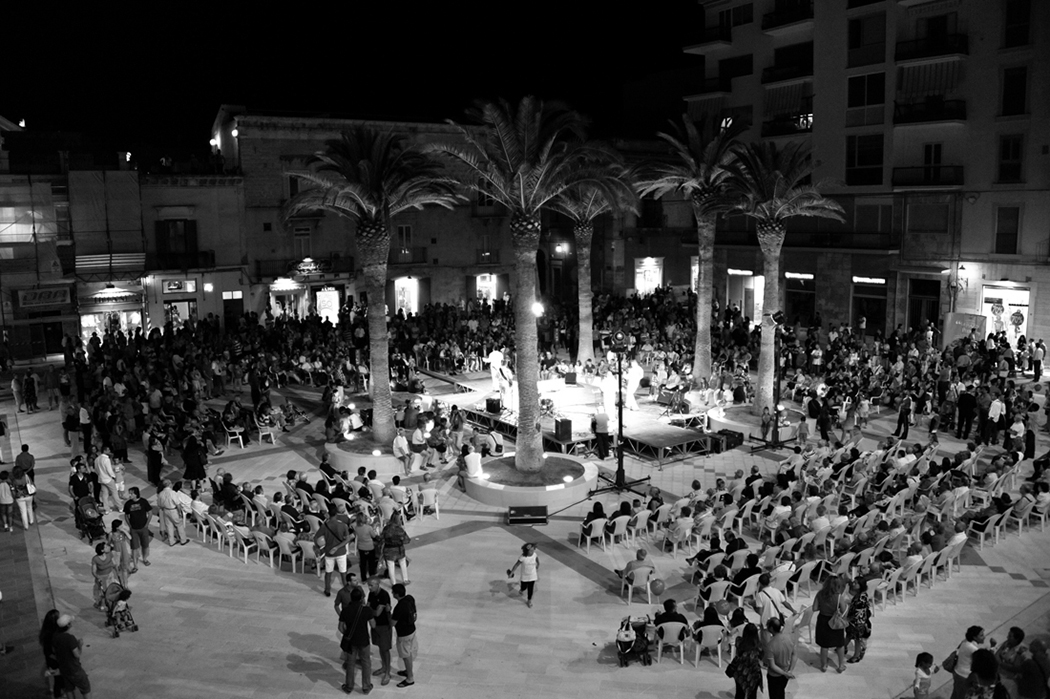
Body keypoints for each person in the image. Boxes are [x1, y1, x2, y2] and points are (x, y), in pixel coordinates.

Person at [338, 586, 375, 695]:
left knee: (350, 663)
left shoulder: (345, 610)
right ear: (360, 599)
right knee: (366, 662)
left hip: (351, 641)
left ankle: (349, 686)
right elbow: (373, 625)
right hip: (363, 640)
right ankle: (366, 687)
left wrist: (347, 634)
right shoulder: (366, 610)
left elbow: (340, 627)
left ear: (351, 598)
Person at [814, 574, 848, 673]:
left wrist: (823, 607)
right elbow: (844, 611)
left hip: (823, 620)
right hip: (835, 621)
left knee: (824, 645)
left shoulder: (819, 594)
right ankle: (841, 665)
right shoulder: (839, 597)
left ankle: (824, 665)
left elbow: (814, 608)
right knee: (840, 644)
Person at [316, 505, 352, 597]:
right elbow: (347, 539)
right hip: (341, 552)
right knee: (343, 573)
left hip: (329, 552)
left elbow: (316, 537)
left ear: (329, 514)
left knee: (328, 573)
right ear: (336, 514)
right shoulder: (343, 525)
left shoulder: (325, 526)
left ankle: (327, 590)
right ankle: (346, 590)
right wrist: (337, 547)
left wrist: (320, 548)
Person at [52, 614, 91, 698]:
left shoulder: (55, 637)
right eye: (70, 622)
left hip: (64, 669)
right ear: (68, 625)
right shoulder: (70, 638)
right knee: (86, 688)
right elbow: (77, 655)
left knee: (69, 689)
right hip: (74, 669)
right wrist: (80, 645)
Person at [952, 625, 995, 699]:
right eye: (981, 635)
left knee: (956, 694)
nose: (984, 637)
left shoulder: (965, 642)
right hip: (964, 676)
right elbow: (986, 661)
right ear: (974, 637)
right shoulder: (973, 649)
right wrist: (992, 647)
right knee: (961, 696)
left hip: (957, 671)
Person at [367, 576, 394, 686]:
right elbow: (368, 607)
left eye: (371, 585)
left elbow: (377, 613)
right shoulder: (371, 594)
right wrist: (371, 611)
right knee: (380, 646)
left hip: (384, 625)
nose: (369, 588)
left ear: (378, 584)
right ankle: (383, 667)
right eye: (368, 585)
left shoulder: (384, 595)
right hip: (375, 625)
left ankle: (387, 672)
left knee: (385, 648)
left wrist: (370, 611)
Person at [728, 623, 764, 699]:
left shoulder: (739, 642)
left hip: (740, 671)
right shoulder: (759, 646)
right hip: (754, 672)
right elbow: (762, 657)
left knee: (739, 694)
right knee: (752, 695)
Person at [391, 582, 417, 688]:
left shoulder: (399, 607)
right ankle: (408, 671)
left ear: (396, 594)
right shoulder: (410, 598)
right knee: (408, 653)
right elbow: (415, 615)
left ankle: (410, 678)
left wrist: (389, 614)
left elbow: (392, 623)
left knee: (406, 656)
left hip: (404, 634)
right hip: (412, 630)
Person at [764, 617, 796, 699]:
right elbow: (794, 655)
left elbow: (772, 666)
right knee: (781, 691)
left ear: (771, 628)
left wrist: (785, 673)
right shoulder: (790, 638)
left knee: (774, 695)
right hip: (786, 672)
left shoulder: (770, 645)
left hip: (774, 675)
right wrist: (790, 671)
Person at [122, 487, 152, 568]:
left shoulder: (143, 502)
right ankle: (135, 565)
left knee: (145, 545)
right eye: (130, 493)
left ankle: (145, 559)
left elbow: (150, 512)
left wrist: (147, 524)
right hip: (134, 529)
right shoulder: (128, 504)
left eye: (131, 493)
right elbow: (126, 515)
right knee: (134, 548)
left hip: (143, 527)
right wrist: (130, 525)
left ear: (136, 494)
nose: (130, 495)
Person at [845, 577, 872, 663]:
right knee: (849, 635)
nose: (853, 584)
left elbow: (857, 613)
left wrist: (847, 619)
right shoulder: (861, 594)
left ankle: (856, 656)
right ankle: (842, 647)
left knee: (857, 639)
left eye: (856, 583)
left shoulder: (861, 597)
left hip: (858, 622)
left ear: (860, 585)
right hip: (857, 621)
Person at [381, 512, 411, 588]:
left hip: (388, 549)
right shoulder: (400, 529)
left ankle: (393, 583)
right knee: (403, 564)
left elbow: (381, 537)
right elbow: (407, 540)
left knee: (390, 566)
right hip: (399, 549)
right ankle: (405, 579)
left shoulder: (386, 528)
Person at [156, 479, 189, 546]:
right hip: (173, 510)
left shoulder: (161, 493)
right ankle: (183, 540)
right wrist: (179, 513)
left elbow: (159, 504)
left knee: (169, 526)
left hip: (165, 510)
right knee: (179, 525)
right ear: (169, 484)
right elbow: (178, 504)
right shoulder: (172, 493)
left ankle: (171, 541)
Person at [507, 542, 540, 608]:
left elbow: (537, 560)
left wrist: (538, 565)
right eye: (531, 550)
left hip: (532, 575)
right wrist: (511, 573)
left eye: (533, 550)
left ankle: (529, 600)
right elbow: (516, 565)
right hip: (524, 576)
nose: (533, 551)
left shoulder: (534, 554)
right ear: (527, 551)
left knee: (530, 588)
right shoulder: (522, 557)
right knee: (524, 587)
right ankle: (521, 589)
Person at [39, 609, 62, 697]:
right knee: (58, 680)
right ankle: (58, 695)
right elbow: (50, 652)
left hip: (53, 661)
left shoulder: (47, 632)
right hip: (54, 662)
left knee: (58, 679)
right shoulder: (50, 636)